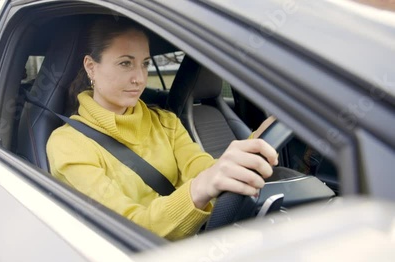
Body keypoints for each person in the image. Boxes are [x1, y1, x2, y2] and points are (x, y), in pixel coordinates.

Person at [46, 17, 278, 241]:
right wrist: (202, 186)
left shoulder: (165, 121)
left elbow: (200, 168)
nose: (139, 78)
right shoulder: (68, 144)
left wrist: (257, 141)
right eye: (125, 63)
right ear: (91, 67)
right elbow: (128, 228)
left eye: (145, 64)